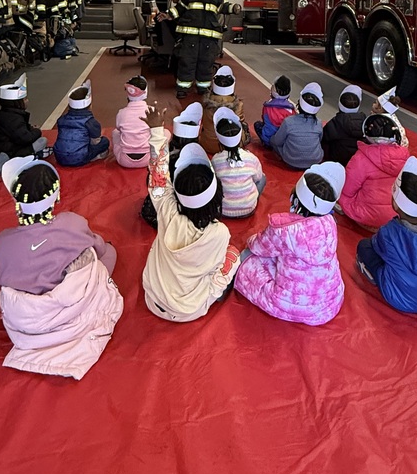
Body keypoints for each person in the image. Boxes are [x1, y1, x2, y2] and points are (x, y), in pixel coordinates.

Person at [0, 156, 122, 379]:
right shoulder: (72, 223)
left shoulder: (2, 242)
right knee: (104, 252)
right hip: (71, 309)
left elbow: (1, 277)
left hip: (28, 322)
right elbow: (98, 248)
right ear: (57, 194)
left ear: (16, 200)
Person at [142, 106, 240, 322]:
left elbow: (157, 173)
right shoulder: (220, 232)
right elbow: (216, 268)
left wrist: (157, 130)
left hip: (153, 297)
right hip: (189, 311)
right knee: (233, 255)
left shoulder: (166, 207)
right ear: (217, 195)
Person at [234, 162, 345, 325]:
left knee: (246, 258)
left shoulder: (284, 229)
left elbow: (258, 246)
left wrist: (250, 239)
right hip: (328, 303)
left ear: (295, 199)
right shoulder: (330, 223)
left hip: (289, 304)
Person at [356, 157, 417, 313]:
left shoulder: (389, 232)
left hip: (399, 298)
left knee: (364, 246)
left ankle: (373, 275)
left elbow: (375, 245)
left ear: (396, 202)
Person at [168, 0, 241, 99]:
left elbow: (223, 6)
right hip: (190, 35)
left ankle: (203, 87)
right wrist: (169, 15)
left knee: (206, 62)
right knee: (187, 61)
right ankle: (183, 88)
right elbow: (181, 7)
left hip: (209, 35)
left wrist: (234, 8)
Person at [337, 113, 409, 227]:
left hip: (365, 216)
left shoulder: (361, 158)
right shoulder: (404, 156)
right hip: (395, 216)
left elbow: (347, 189)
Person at [139, 102, 203, 229]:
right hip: (191, 215)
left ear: (174, 138)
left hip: (164, 211)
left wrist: (156, 129)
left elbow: (155, 173)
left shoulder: (167, 158)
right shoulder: (202, 164)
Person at [211, 107, 266, 218]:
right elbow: (258, 177)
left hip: (223, 210)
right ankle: (247, 201)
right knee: (263, 178)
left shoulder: (215, 160)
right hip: (249, 209)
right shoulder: (251, 157)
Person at [0, 72, 49, 159]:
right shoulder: (14, 118)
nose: (27, 101)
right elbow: (26, 138)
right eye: (25, 99)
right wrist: (37, 131)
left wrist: (30, 129)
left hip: (7, 146)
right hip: (11, 151)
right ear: (18, 103)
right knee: (42, 141)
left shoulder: (2, 114)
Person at [52, 80, 110, 166]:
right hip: (79, 158)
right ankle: (95, 157)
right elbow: (96, 142)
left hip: (59, 157)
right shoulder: (91, 122)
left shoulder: (61, 119)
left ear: (69, 105)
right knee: (105, 142)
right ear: (90, 106)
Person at [269, 82, 325, 169]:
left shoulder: (288, 122)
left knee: (273, 141)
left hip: (291, 161)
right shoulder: (319, 123)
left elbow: (277, 141)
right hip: (315, 161)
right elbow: (320, 140)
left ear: (299, 104)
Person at [199, 65, 250, 154]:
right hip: (232, 145)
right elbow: (240, 123)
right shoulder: (238, 105)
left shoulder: (206, 104)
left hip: (206, 144)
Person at [112, 76, 150, 168]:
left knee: (115, 132)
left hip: (124, 161)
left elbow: (118, 129)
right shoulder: (151, 110)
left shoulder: (122, 113)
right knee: (165, 133)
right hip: (149, 159)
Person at [321, 83, 365, 166]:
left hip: (335, 160)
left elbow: (323, 138)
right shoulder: (364, 122)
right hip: (355, 162)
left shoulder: (334, 123)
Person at [254, 74, 296, 149]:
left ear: (274, 90)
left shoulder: (267, 107)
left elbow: (264, 120)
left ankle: (266, 143)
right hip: (284, 142)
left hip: (269, 140)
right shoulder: (291, 110)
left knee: (257, 124)